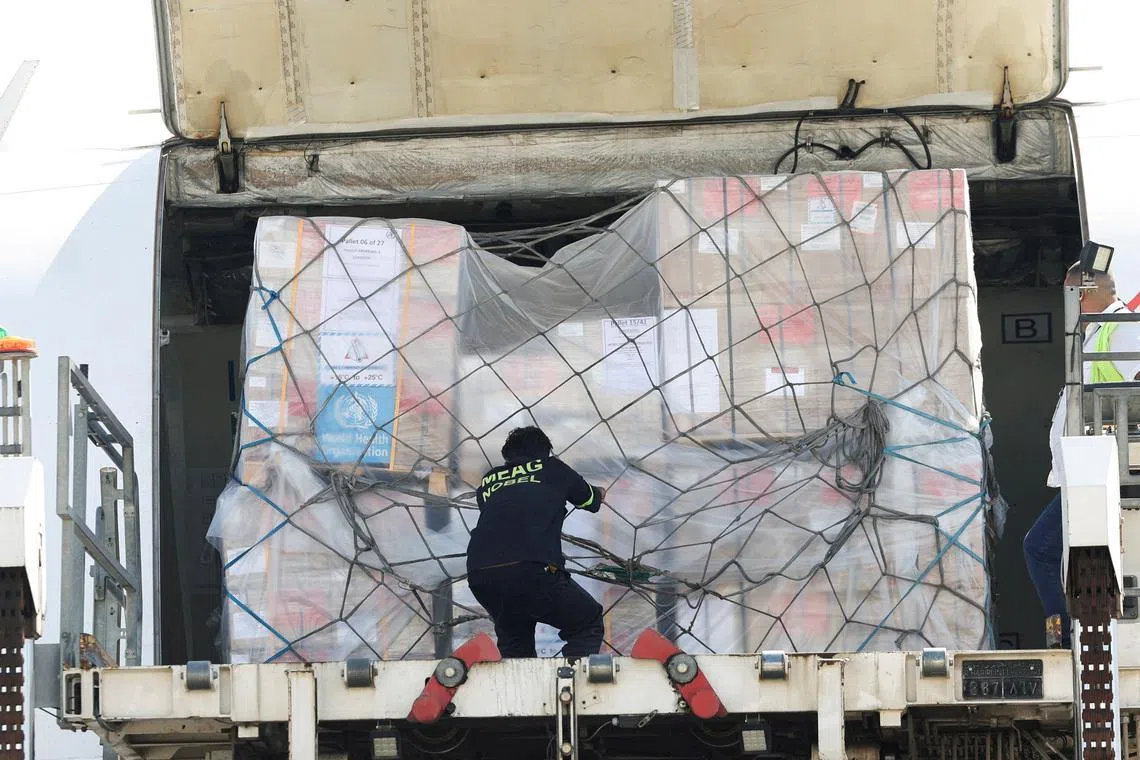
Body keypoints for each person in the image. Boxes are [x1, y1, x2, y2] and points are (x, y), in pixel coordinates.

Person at [1024, 264, 1140, 647]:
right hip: (1087, 471)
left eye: (1070, 294)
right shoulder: (1100, 331)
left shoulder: (1121, 328)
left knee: (1040, 548)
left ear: (1082, 293)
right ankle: (1069, 630)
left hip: (1097, 471)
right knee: (1051, 550)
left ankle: (1064, 633)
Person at [466, 426, 608, 658]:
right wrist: (599, 492)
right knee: (587, 622)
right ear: (545, 452)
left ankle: (521, 693)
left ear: (508, 456)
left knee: (515, 647)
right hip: (532, 570)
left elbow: (498, 513)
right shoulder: (553, 468)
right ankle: (568, 684)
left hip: (483, 576)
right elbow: (589, 500)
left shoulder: (490, 479)